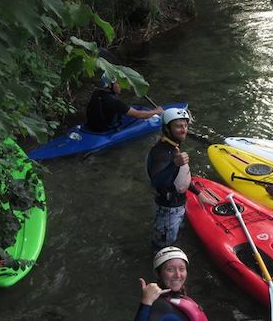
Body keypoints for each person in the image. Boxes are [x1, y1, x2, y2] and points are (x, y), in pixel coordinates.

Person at [146, 108, 217, 253]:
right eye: (178, 126)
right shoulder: (162, 152)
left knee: (175, 237)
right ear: (167, 128)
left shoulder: (174, 146)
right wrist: (174, 164)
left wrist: (199, 193)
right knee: (162, 248)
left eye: (185, 125)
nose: (184, 130)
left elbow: (179, 177)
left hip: (177, 204)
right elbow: (157, 182)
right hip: (167, 209)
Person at [135, 246, 208, 321]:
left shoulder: (177, 296)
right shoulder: (160, 306)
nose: (178, 275)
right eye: (170, 269)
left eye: (182, 269)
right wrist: (146, 302)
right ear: (158, 274)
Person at [85, 73, 164, 132]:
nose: (121, 86)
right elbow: (139, 115)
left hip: (91, 127)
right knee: (138, 113)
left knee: (134, 108)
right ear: (109, 85)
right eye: (118, 83)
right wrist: (156, 111)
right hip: (105, 129)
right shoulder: (115, 103)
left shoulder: (96, 93)